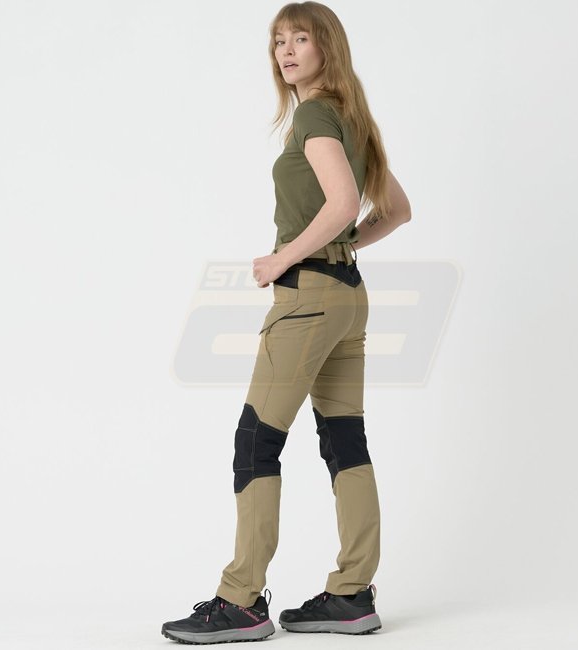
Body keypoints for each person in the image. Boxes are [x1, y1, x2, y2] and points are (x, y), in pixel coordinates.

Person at [161, 1, 411, 644]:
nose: (287, 51)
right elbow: (395, 211)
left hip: (308, 299)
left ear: (328, 46)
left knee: (256, 442)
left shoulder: (315, 115)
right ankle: (352, 595)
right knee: (345, 441)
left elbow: (346, 203)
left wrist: (284, 257)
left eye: (301, 38)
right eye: (279, 41)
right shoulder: (354, 118)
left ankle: (241, 601)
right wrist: (343, 247)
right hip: (348, 294)